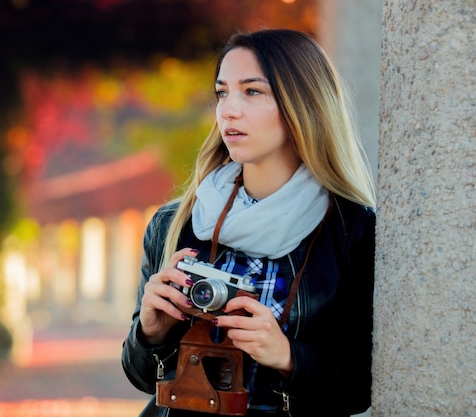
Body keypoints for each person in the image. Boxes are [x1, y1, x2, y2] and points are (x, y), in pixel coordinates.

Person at [122, 28, 376, 417]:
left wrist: (289, 357)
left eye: (252, 91)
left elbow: (362, 387)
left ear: (302, 103)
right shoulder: (174, 223)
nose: (228, 110)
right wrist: (150, 333)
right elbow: (141, 377)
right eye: (222, 92)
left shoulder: (353, 232)